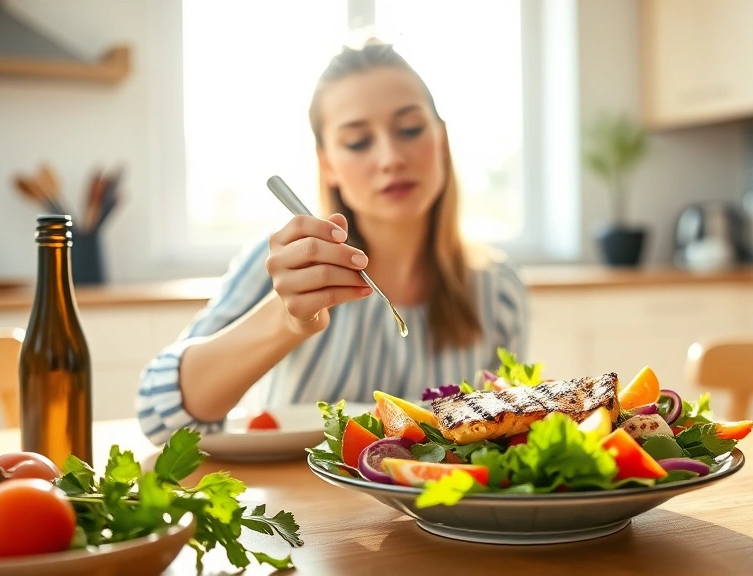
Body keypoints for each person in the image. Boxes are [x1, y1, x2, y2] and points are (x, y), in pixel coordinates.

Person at [137, 40, 528, 445]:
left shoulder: (499, 290)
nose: (390, 157)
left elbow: (509, 433)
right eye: (358, 141)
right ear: (328, 166)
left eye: (410, 129)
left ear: (442, 140)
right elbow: (160, 417)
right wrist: (288, 320)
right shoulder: (283, 263)